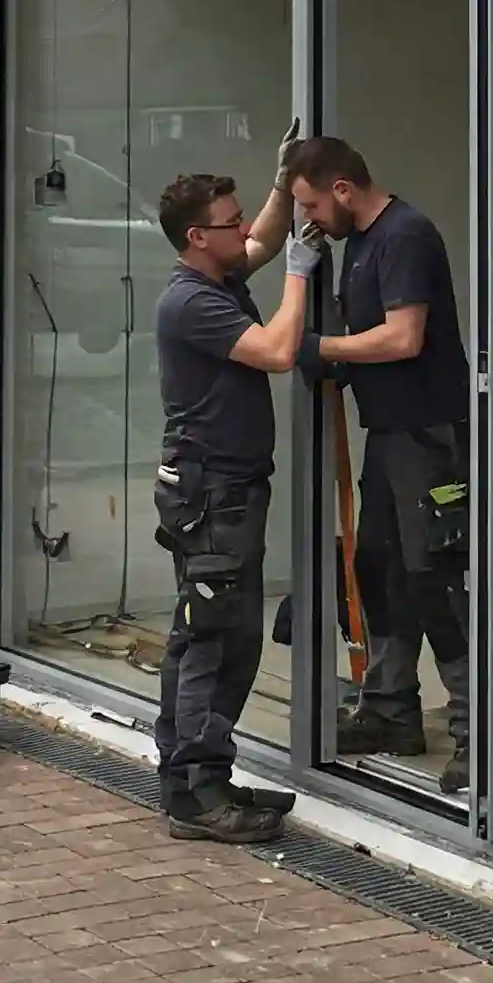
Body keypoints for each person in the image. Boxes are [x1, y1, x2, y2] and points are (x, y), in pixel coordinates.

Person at [285, 135, 472, 792]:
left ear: (343, 188)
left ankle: (475, 737)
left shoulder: (405, 235)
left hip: (429, 435)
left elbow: (404, 336)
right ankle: (391, 711)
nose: (310, 220)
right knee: (381, 568)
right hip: (389, 433)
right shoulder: (359, 242)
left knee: (437, 579)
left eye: (311, 203)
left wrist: (323, 347)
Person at [151, 126, 320, 844]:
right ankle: (196, 797)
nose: (246, 228)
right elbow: (279, 352)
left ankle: (202, 773)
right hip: (212, 493)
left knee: (211, 636)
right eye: (231, 220)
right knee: (215, 640)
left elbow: (261, 244)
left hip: (225, 488)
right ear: (196, 236)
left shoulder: (216, 277)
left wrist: (285, 183)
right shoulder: (192, 303)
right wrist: (305, 271)